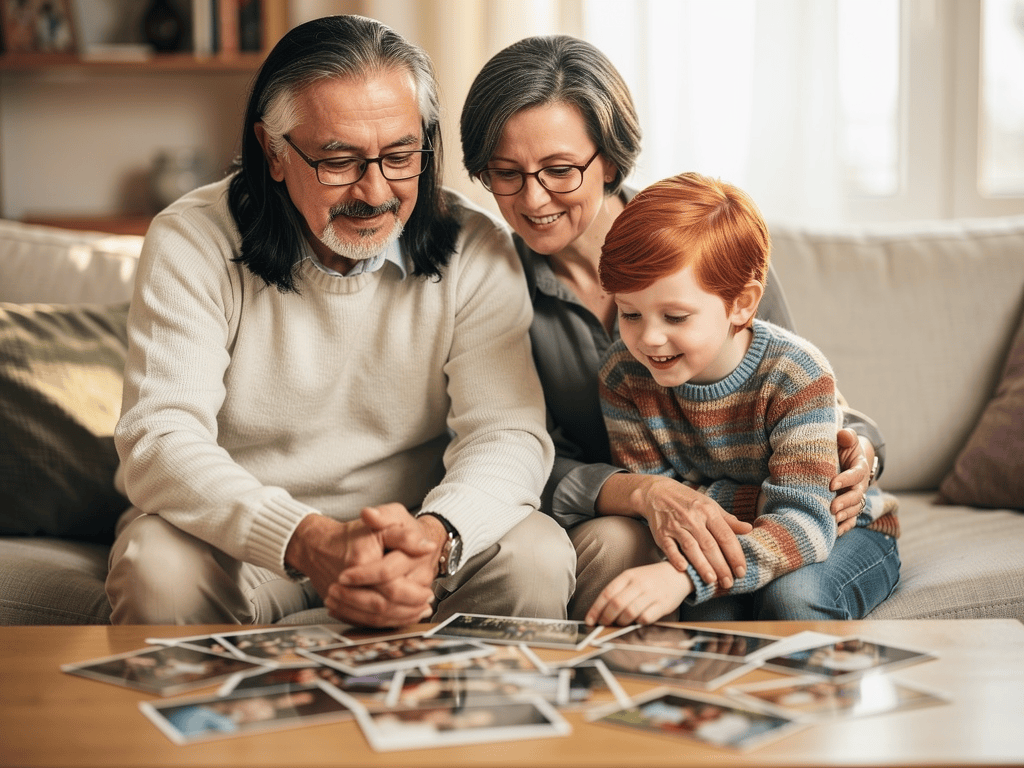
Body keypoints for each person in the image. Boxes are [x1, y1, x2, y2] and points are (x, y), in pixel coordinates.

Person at [106, 15, 575, 627]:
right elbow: (160, 438)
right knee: (156, 566)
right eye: (339, 161)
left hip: (415, 541)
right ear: (274, 152)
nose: (375, 191)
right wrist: (306, 539)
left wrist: (436, 536)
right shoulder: (191, 239)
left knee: (537, 555)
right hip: (245, 546)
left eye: (400, 156)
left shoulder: (474, 245)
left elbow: (506, 432)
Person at [460, 34, 897, 621]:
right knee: (647, 565)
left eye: (560, 170)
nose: (533, 199)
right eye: (505, 173)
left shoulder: (706, 243)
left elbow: (800, 390)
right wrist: (645, 493)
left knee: (784, 594)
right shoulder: (489, 286)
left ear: (609, 159)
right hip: (645, 514)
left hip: (782, 505)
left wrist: (855, 452)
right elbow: (509, 456)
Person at [588, 172, 899, 626]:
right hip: (733, 536)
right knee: (712, 614)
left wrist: (686, 573)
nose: (649, 338)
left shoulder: (796, 374)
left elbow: (807, 521)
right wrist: (759, 501)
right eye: (630, 313)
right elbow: (667, 506)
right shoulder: (623, 374)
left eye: (675, 316)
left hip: (845, 530)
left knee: (793, 598)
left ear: (741, 304)